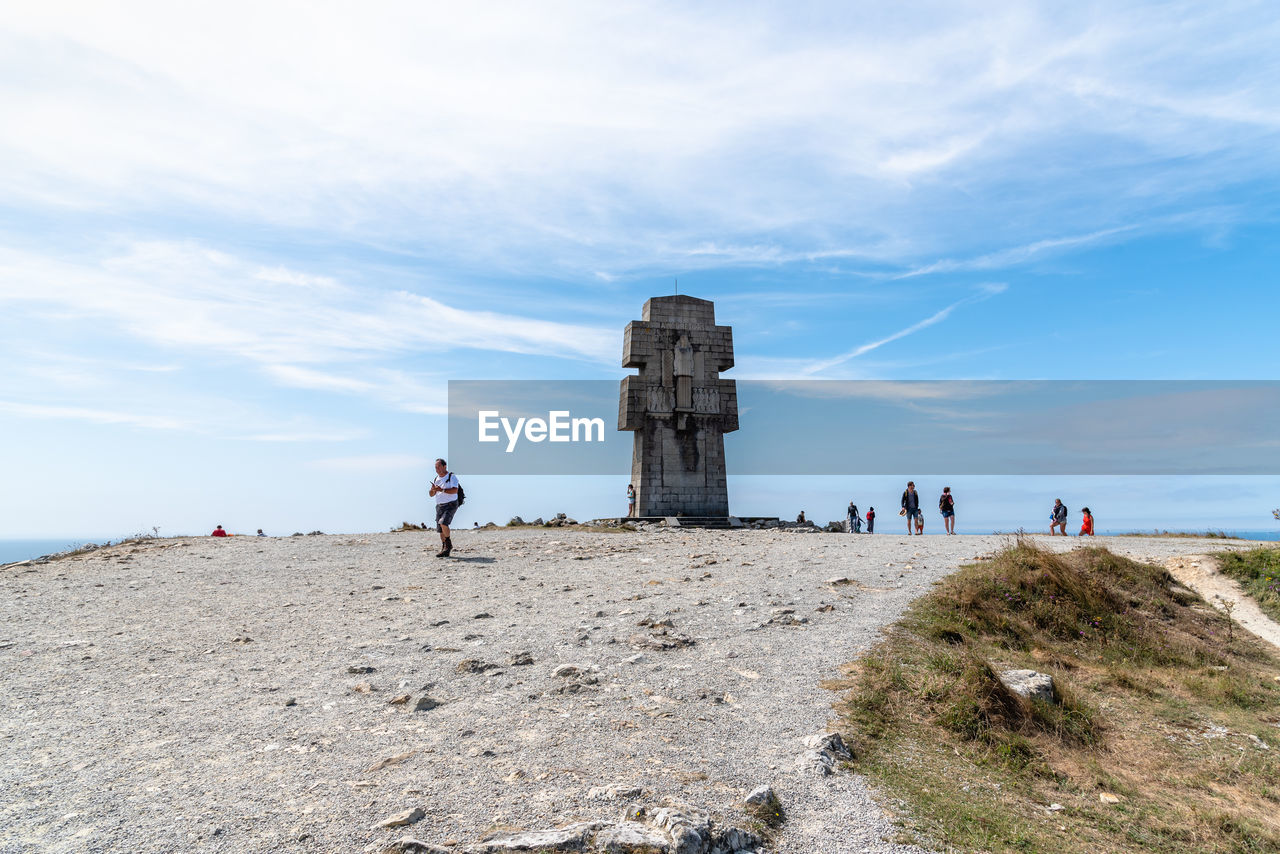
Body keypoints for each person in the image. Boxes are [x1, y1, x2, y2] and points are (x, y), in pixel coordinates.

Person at [429, 458, 460, 557]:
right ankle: (444, 548)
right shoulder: (436, 479)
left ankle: (448, 545)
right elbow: (431, 494)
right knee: (440, 529)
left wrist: (441, 490)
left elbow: (455, 490)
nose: (437, 469)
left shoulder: (451, 477)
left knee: (443, 523)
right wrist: (433, 490)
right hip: (439, 506)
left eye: (438, 466)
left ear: (444, 466)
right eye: (435, 467)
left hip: (450, 504)